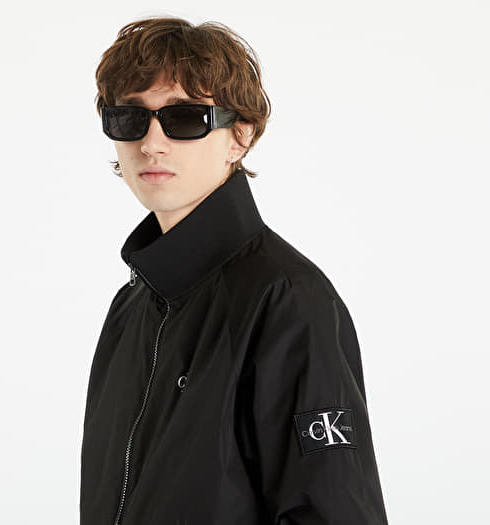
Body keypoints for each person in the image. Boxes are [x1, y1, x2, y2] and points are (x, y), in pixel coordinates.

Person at [80, 15, 390, 525]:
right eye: (129, 118)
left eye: (184, 118)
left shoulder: (288, 299)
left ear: (240, 136)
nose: (151, 143)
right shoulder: (131, 305)